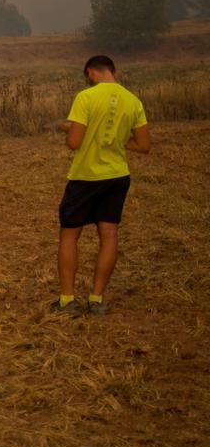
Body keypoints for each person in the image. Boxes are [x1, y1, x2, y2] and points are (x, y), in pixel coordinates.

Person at [53, 55, 151, 316]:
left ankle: (67, 300)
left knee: (70, 235)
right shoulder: (133, 101)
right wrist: (117, 142)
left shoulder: (86, 97)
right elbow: (143, 145)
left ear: (90, 73)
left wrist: (67, 128)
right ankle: (96, 300)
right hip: (118, 177)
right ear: (113, 72)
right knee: (109, 235)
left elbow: (74, 142)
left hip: (86, 177)